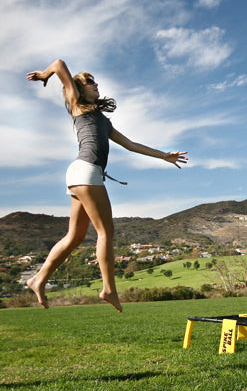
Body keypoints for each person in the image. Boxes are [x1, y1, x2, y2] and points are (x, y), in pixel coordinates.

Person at [25, 59, 188, 312]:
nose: (96, 84)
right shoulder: (76, 104)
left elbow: (131, 144)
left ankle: (38, 279)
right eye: (90, 81)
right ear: (79, 88)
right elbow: (59, 64)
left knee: (75, 236)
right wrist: (46, 74)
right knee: (105, 232)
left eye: (95, 80)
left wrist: (164, 155)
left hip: (82, 174)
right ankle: (109, 289)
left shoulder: (102, 119)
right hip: (87, 171)